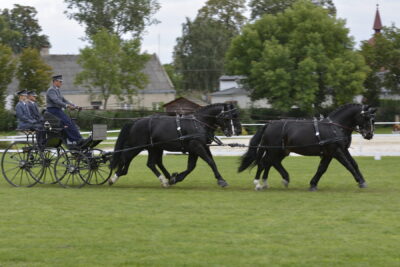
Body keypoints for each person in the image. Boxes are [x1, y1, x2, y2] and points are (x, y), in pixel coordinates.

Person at [46, 74, 84, 146]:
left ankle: (79, 139)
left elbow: (64, 100)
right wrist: (67, 106)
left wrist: (75, 106)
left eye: (61, 81)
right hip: (53, 111)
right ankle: (76, 140)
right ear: (55, 82)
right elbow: (56, 100)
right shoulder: (51, 90)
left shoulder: (58, 90)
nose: (61, 83)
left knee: (71, 122)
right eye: (60, 81)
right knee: (67, 123)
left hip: (58, 110)